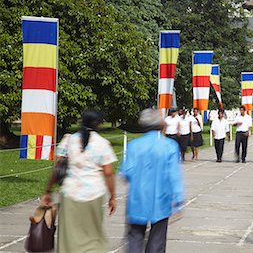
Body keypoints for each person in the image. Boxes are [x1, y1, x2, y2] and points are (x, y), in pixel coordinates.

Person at [42, 110, 117, 253]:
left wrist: (48, 190)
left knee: (69, 236)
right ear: (99, 124)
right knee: (93, 235)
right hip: (94, 193)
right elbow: (108, 173)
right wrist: (112, 197)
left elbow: (57, 168)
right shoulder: (103, 144)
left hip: (70, 193)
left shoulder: (68, 140)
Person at [121, 108, 184, 253]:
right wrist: (178, 198)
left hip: (138, 198)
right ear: (160, 124)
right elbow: (174, 175)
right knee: (157, 240)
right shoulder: (169, 146)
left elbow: (126, 173)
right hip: (161, 199)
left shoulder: (134, 146)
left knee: (135, 238)